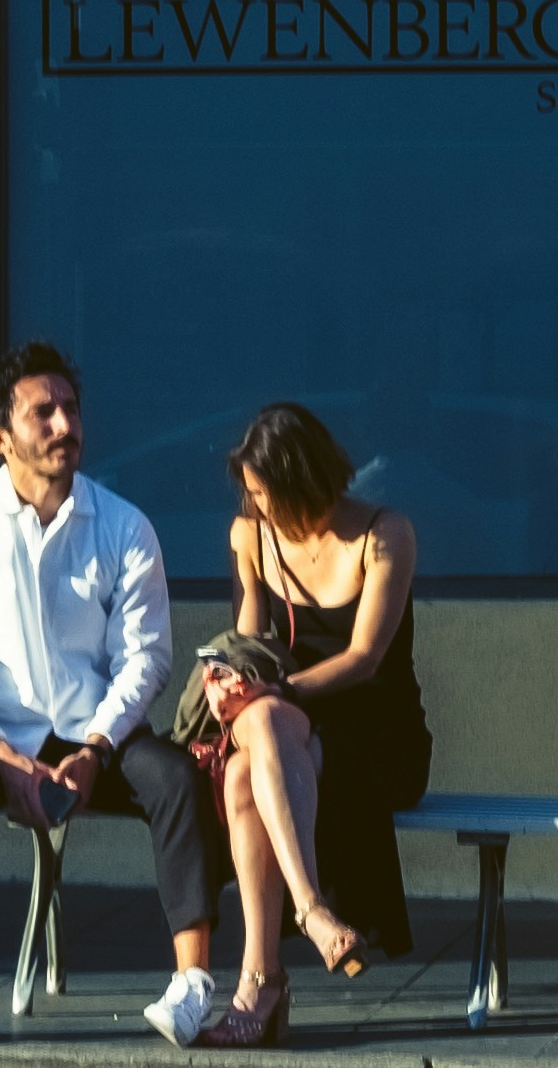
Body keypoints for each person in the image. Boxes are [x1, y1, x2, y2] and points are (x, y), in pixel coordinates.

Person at [0, 343, 226, 1055]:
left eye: (71, 409)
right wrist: (2, 759)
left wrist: (96, 749)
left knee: (178, 777)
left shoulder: (123, 527)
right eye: (42, 412)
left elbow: (146, 660)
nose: (64, 424)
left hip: (96, 734)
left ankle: (191, 984)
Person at [193, 402, 431, 1049]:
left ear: (301, 482)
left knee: (262, 734)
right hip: (287, 733)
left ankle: (263, 976)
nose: (255, 506)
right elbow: (248, 637)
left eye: (264, 493)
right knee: (244, 765)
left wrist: (274, 692)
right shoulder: (252, 535)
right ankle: (304, 922)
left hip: (375, 735)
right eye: (249, 494)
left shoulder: (384, 534)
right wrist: (230, 680)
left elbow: (364, 658)